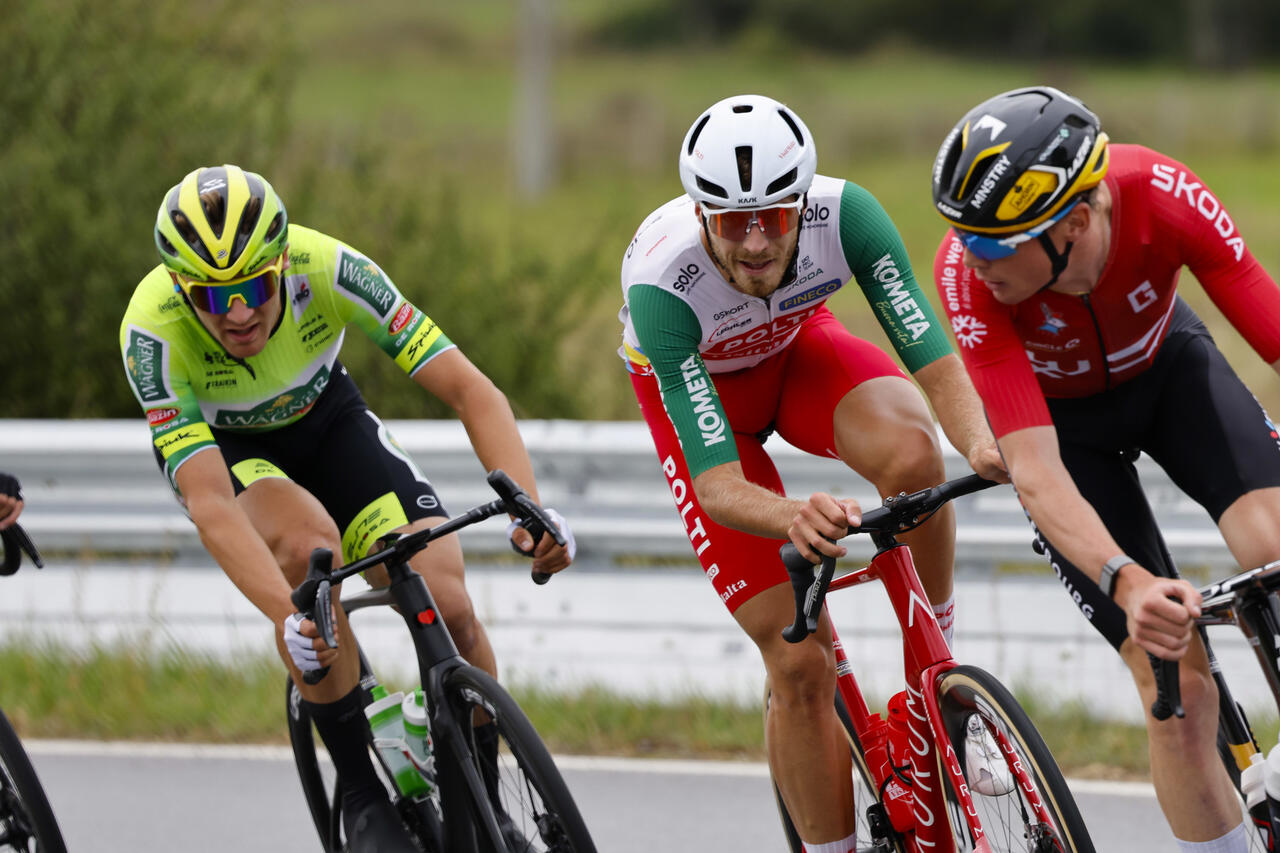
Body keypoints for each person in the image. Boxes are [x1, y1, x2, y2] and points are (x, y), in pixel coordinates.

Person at [120, 165, 575, 852]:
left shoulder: (328, 266)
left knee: (447, 599)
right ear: (183, 293)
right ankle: (359, 788)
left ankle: (484, 797)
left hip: (329, 421)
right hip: (231, 450)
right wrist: (287, 614)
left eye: (252, 288)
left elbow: (471, 391)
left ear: (281, 264)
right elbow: (210, 501)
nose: (238, 312)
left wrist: (529, 507)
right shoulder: (150, 330)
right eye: (213, 299)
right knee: (310, 556)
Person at [618, 94, 1005, 853]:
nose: (757, 242)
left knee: (915, 456)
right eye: (732, 221)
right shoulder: (664, 283)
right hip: (705, 409)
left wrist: (986, 443)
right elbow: (719, 486)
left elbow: (931, 357)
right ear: (701, 215)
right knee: (799, 662)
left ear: (804, 202)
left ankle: (942, 682)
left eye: (775, 215)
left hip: (797, 351)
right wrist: (791, 514)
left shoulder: (849, 216)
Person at [930, 85, 1280, 851]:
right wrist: (1128, 580)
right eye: (963, 236)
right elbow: (1037, 471)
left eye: (993, 244)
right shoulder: (966, 276)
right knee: (1175, 680)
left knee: (1273, 542)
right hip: (1064, 434)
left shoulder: (1161, 192)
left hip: (1170, 374)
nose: (971, 257)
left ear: (1074, 223)